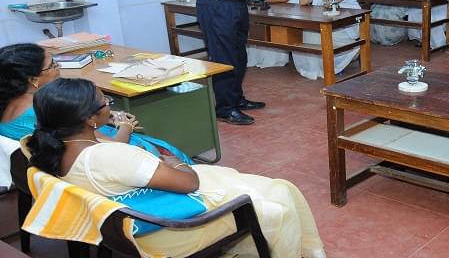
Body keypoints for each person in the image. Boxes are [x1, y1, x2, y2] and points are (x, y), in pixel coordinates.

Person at [24, 78, 326, 258]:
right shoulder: (111, 156)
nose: (109, 104)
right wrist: (174, 160)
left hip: (127, 216)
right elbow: (189, 182)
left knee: (260, 184)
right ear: (88, 119)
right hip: (169, 231)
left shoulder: (48, 146)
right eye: (105, 102)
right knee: (281, 198)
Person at [0, 44, 193, 185]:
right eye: (52, 65)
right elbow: (114, 145)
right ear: (33, 79)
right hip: (98, 163)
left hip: (55, 162)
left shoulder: (13, 104)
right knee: (165, 151)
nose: (58, 67)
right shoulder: (41, 108)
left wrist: (95, 114)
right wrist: (126, 126)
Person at [294, 0, 361, 79]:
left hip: (345, 23)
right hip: (324, 20)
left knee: (319, 35)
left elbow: (329, 5)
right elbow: (303, 3)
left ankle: (333, 66)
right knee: (306, 33)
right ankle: (313, 67)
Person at [247, 0, 300, 68]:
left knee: (274, 31)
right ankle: (257, 58)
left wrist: (259, 0)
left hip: (287, 14)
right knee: (255, 29)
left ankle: (275, 60)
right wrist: (257, 0)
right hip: (264, 12)